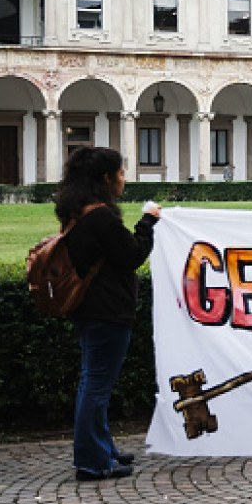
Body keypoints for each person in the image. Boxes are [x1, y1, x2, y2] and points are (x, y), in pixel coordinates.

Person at [58, 147, 160, 481]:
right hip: (107, 311)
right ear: (106, 178)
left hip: (92, 310)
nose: (123, 179)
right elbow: (132, 255)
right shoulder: (100, 216)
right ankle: (91, 461)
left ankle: (103, 450)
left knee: (95, 382)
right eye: (121, 173)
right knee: (97, 386)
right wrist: (148, 221)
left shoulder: (78, 212)